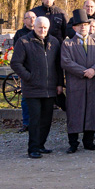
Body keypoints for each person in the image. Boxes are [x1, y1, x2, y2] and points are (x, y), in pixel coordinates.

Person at [10, 17, 63, 159]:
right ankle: (33, 148)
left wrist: (59, 84)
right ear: (34, 26)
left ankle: (41, 145)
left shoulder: (54, 42)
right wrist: (29, 77)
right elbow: (15, 63)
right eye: (40, 27)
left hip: (50, 88)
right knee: (35, 119)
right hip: (32, 88)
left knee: (46, 119)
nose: (43, 30)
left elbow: (58, 65)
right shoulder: (24, 41)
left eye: (45, 28)